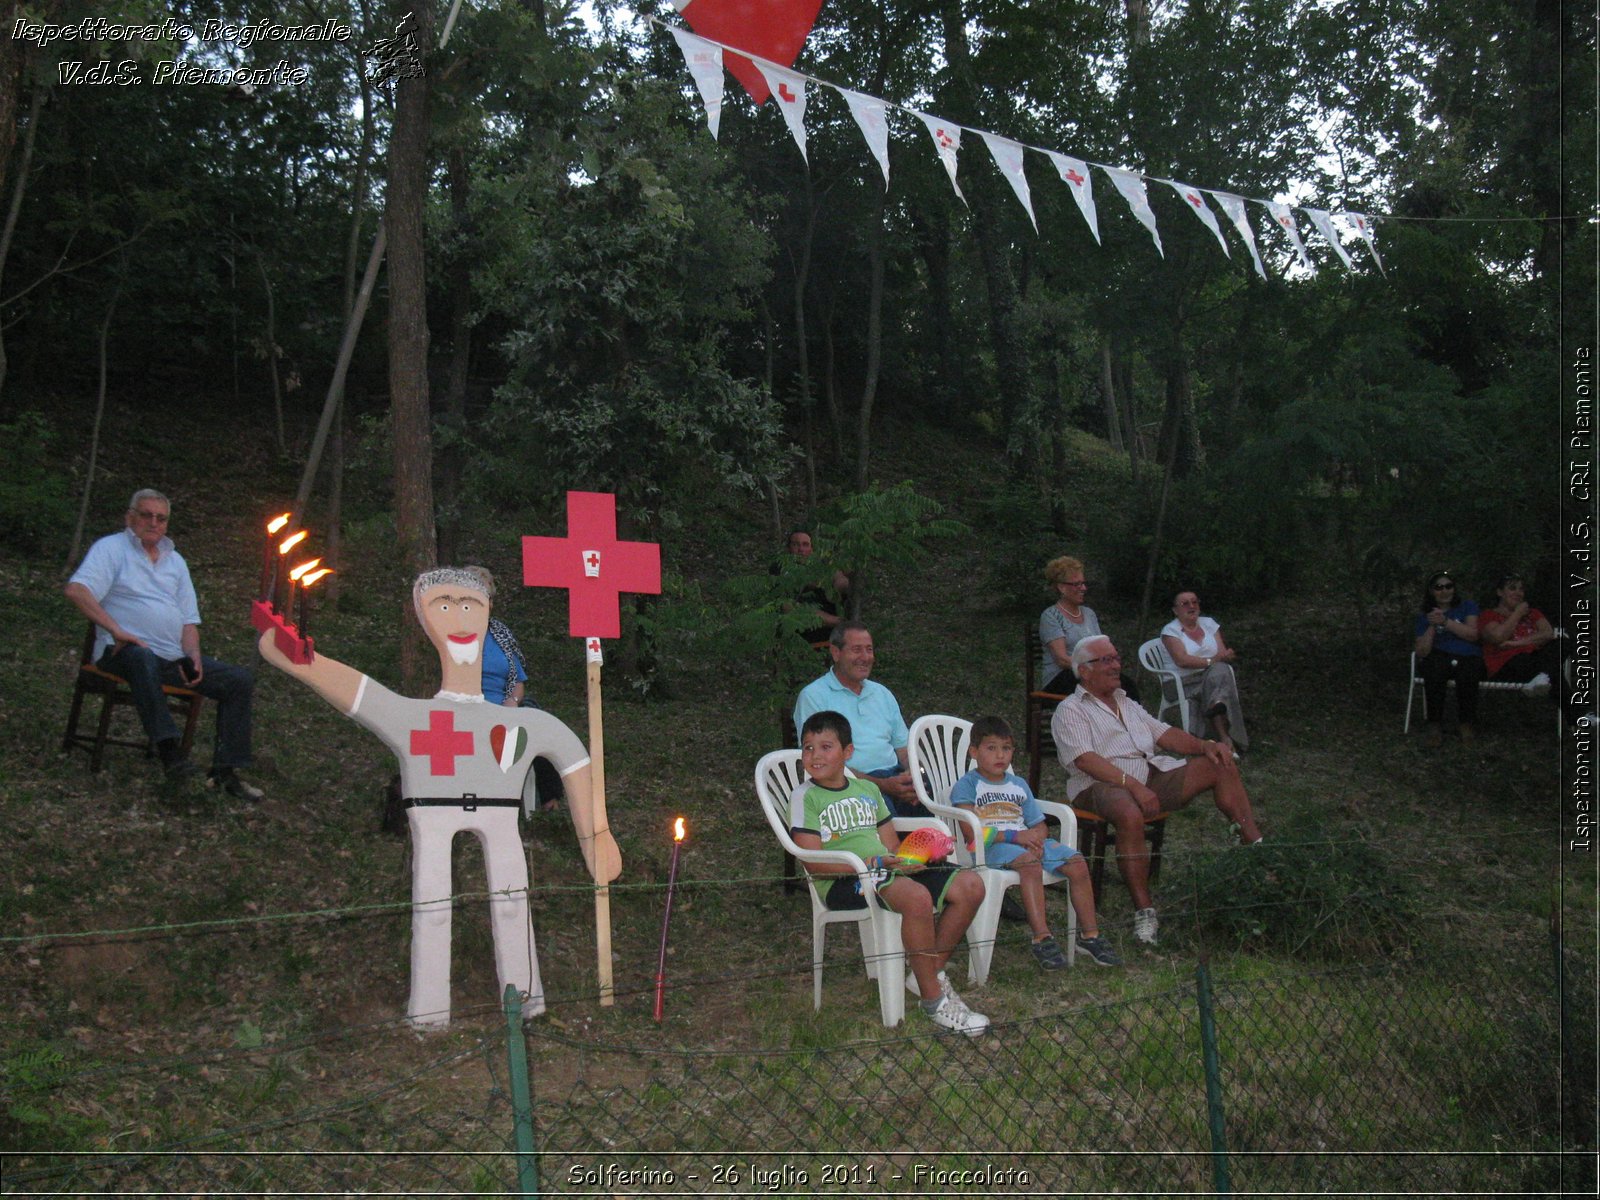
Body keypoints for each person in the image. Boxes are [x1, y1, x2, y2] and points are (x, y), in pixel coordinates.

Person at [258, 566, 618, 1027]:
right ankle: (429, 1013)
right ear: (424, 617)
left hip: (500, 817)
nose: (460, 618)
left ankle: (529, 1001)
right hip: (433, 814)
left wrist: (596, 835)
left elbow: (573, 757)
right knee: (431, 911)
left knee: (512, 903)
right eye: (443, 606)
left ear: (488, 614)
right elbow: (358, 692)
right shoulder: (414, 717)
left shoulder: (520, 725)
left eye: (471, 606)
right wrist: (299, 660)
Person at [1052, 635, 1263, 947]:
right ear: (1084, 671)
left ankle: (1257, 847)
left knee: (1220, 763)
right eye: (1106, 660)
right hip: (1099, 786)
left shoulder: (1127, 702)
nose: (1116, 665)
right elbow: (1086, 760)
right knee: (1128, 811)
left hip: (1150, 778)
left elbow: (1166, 735)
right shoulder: (1071, 710)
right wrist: (1134, 786)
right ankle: (1145, 911)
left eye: (1116, 658)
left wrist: (1206, 745)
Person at [789, 710, 990, 1035]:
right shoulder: (805, 796)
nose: (815, 755)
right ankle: (935, 1002)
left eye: (826, 746)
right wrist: (873, 865)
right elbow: (812, 861)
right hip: (844, 878)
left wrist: (914, 856)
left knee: (970, 884)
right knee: (916, 897)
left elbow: (890, 846)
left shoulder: (869, 791)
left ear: (848, 753)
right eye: (808, 748)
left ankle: (927, 971)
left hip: (885, 871)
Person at [65, 488, 262, 798]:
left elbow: (188, 621)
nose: (153, 523)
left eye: (161, 518)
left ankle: (225, 772)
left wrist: (193, 656)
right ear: (130, 517)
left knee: (238, 680)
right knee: (141, 656)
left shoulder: (176, 562)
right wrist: (116, 629)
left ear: (167, 524)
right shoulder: (111, 549)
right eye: (146, 515)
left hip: (170, 658)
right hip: (120, 653)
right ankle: (170, 753)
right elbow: (77, 590)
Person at [949, 716, 1120, 969]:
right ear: (974, 752)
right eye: (991, 748)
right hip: (990, 849)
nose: (1000, 755)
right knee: (1029, 863)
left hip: (1025, 842)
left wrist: (1038, 837)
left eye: (1006, 748)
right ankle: (1042, 938)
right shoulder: (968, 785)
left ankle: (1089, 936)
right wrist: (1016, 837)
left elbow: (1037, 823)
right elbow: (971, 835)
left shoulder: (1018, 785)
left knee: (1076, 862)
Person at [793, 621, 922, 815]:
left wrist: (913, 776)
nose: (865, 657)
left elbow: (904, 750)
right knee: (884, 818)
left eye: (869, 650)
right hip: (848, 786)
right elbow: (823, 762)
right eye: (856, 650)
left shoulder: (881, 693)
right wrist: (883, 785)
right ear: (836, 653)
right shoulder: (814, 696)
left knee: (939, 807)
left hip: (895, 778)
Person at [1479, 574, 1578, 724]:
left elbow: (1548, 633)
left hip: (1534, 661)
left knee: (1563, 643)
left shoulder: (1533, 613)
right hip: (1506, 666)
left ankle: (1542, 677)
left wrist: (1515, 644)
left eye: (1521, 589)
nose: (1518, 593)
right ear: (1499, 592)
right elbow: (1498, 637)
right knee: (1550, 671)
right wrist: (1517, 614)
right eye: (1512, 588)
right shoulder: (1489, 615)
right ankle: (1578, 719)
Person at [1160, 590, 1250, 754]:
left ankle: (1220, 727)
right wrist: (1211, 661)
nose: (1191, 606)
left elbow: (1222, 654)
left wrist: (1227, 655)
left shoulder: (1209, 624)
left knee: (1219, 673)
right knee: (1219, 676)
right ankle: (1228, 737)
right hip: (1180, 682)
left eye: (1195, 602)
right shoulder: (1170, 631)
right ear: (1175, 610)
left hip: (1212, 678)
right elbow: (1182, 660)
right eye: (1185, 603)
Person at [1038, 556, 1139, 700]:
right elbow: (1062, 659)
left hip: (1091, 673)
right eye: (1077, 584)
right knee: (1103, 687)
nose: (1083, 588)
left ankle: (1131, 722)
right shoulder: (1051, 616)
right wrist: (1093, 668)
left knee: (1126, 685)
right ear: (1062, 587)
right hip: (1061, 678)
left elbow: (1101, 647)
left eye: (1083, 583)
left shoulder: (1089, 614)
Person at [1413, 570, 1483, 746]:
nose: (1444, 591)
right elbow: (1421, 651)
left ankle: (1466, 724)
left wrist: (1445, 622)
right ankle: (1434, 725)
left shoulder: (1468, 607)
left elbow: (1473, 634)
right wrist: (1432, 625)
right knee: (1434, 671)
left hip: (1467, 654)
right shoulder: (1424, 616)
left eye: (1448, 586)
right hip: (1439, 654)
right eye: (1439, 587)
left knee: (1468, 673)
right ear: (1431, 591)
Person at [462, 566, 528, 706]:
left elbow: (518, 681)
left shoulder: (501, 633)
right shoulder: (447, 632)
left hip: (500, 716)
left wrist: (513, 700)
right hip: (461, 712)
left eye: (490, 598)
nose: (489, 605)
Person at [781, 529, 850, 645]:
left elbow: (839, 579)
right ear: (789, 549)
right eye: (795, 545)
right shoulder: (780, 568)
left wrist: (845, 585)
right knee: (786, 605)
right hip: (802, 633)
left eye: (805, 545)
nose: (800, 550)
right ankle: (840, 622)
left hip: (830, 636)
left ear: (811, 549)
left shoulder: (823, 567)